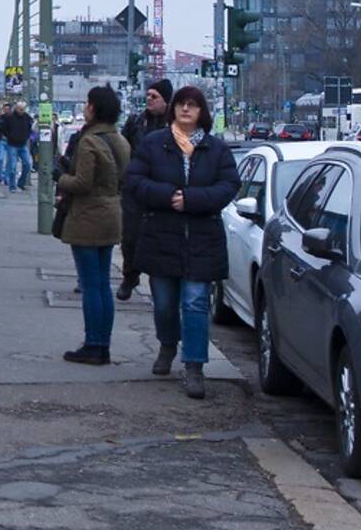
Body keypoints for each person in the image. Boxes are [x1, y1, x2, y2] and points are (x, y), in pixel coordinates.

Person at [124, 84, 240, 400]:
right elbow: (134, 181)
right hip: (161, 235)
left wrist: (191, 199)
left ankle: (194, 366)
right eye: (181, 104)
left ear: (202, 112)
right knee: (163, 303)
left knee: (195, 303)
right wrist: (167, 197)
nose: (186, 109)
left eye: (193, 105)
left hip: (202, 239)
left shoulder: (216, 149)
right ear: (173, 109)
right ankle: (166, 344)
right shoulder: (153, 144)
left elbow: (229, 186)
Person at [57, 85, 132, 365]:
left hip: (88, 217)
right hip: (112, 213)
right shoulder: (120, 141)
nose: (85, 108)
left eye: (88, 103)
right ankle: (104, 344)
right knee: (102, 284)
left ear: (95, 108)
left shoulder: (89, 142)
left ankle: (93, 344)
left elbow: (81, 183)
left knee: (90, 285)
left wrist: (60, 177)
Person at [117, 79, 174, 300]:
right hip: (135, 190)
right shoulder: (136, 122)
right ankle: (130, 277)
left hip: (161, 189)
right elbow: (123, 149)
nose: (149, 99)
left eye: (154, 96)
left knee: (159, 239)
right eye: (148, 95)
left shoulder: (174, 126)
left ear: (166, 101)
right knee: (130, 238)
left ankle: (158, 281)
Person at [0, 100, 35, 191]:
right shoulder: (10, 117)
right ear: (16, 108)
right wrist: (9, 136)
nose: (22, 111)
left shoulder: (26, 117)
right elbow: (2, 128)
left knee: (27, 164)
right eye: (20, 109)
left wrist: (27, 135)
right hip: (12, 144)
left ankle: (21, 183)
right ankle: (12, 186)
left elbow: (31, 127)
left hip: (22, 144)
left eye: (23, 109)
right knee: (13, 167)